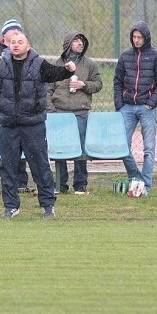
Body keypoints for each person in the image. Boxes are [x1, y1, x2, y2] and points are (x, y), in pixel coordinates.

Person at [0, 32, 75, 219]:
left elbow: (54, 73)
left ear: (28, 46)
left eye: (20, 42)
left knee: (40, 167)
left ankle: (48, 205)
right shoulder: (2, 63)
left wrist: (68, 70)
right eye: (13, 42)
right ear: (8, 45)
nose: (16, 45)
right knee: (7, 168)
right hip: (9, 124)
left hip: (33, 125)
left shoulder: (38, 64)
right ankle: (11, 206)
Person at [114, 21, 157, 195]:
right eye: (134, 37)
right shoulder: (125, 57)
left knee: (149, 148)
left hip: (147, 108)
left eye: (140, 37)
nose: (136, 40)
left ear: (146, 38)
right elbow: (117, 81)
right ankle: (136, 178)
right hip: (127, 107)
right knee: (122, 146)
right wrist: (120, 105)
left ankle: (145, 185)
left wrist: (151, 103)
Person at [46, 32, 102, 195]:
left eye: (82, 41)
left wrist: (84, 84)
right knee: (59, 150)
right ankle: (60, 184)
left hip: (80, 112)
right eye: (76, 40)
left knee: (80, 150)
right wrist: (52, 112)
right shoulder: (56, 64)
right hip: (59, 113)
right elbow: (47, 90)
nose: (80, 43)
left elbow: (98, 84)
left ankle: (80, 185)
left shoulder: (89, 64)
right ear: (68, 44)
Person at [0, 20, 32, 196]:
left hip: (19, 108)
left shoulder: (27, 54)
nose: (17, 33)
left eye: (19, 31)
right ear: (5, 35)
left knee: (20, 144)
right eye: (13, 31)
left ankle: (21, 182)